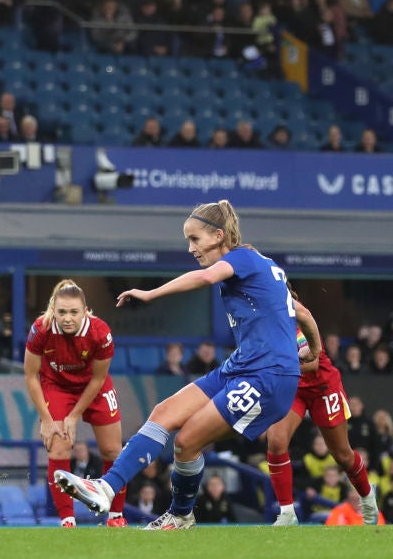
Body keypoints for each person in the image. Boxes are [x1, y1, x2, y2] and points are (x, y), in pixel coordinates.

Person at [54, 200, 301, 530]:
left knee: (187, 439)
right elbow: (304, 314)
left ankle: (179, 512)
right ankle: (109, 488)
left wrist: (151, 294)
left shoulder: (239, 257)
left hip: (267, 376)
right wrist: (310, 347)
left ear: (218, 235)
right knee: (164, 414)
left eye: (195, 239)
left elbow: (205, 277)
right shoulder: (262, 265)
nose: (190, 248)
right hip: (243, 366)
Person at [266, 289, 380, 525]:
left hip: (322, 388)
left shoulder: (298, 317)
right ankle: (287, 513)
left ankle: (367, 498)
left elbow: (311, 362)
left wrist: (270, 365)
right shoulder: (263, 321)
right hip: (293, 388)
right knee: (276, 442)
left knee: (341, 454)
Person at [25, 280, 129, 528]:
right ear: (54, 310)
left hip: (94, 387)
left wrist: (73, 416)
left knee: (112, 451)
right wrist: (47, 420)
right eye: (62, 312)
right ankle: (67, 521)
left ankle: (115, 516)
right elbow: (30, 375)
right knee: (58, 449)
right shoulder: (41, 329)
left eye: (74, 312)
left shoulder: (100, 332)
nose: (68, 318)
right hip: (56, 386)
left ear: (85, 310)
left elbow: (98, 378)